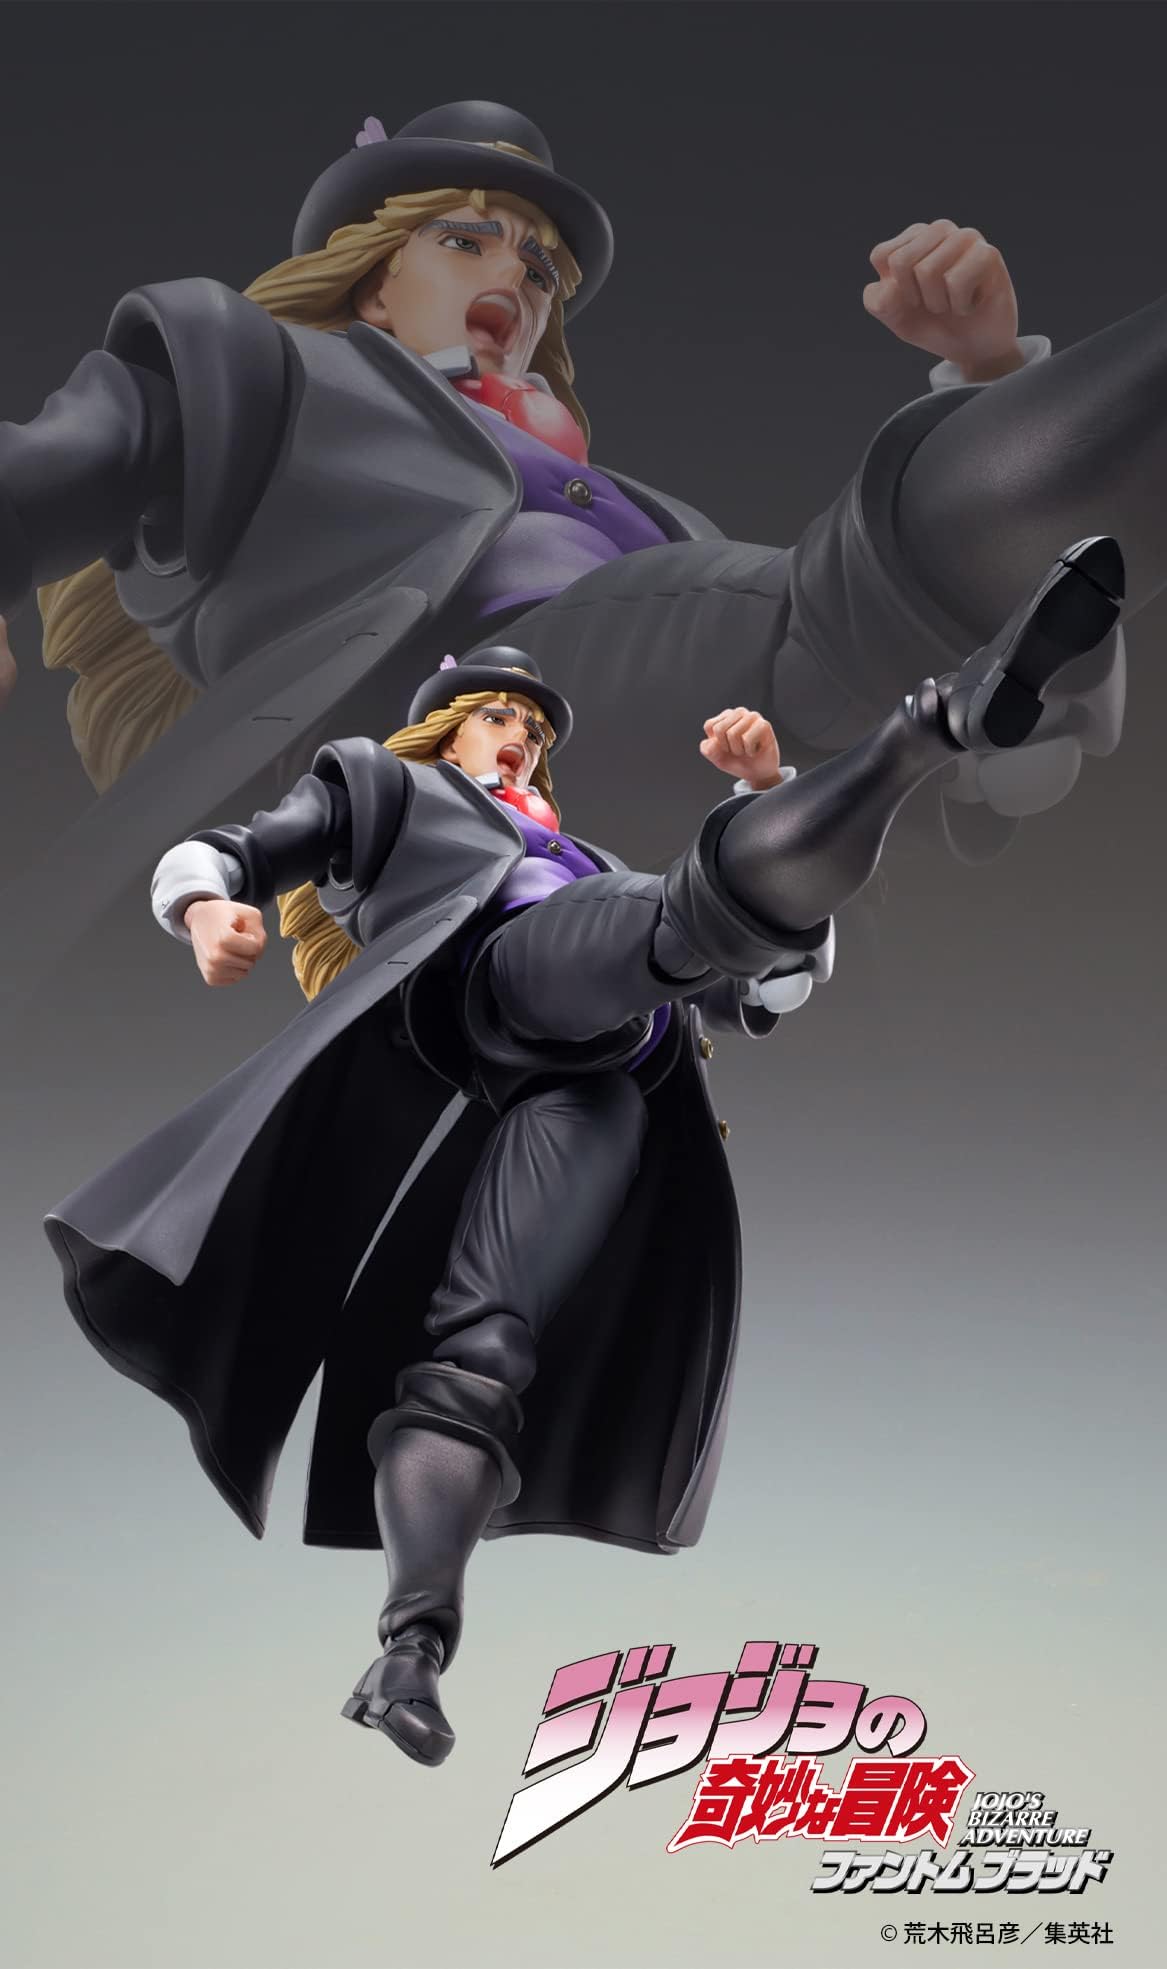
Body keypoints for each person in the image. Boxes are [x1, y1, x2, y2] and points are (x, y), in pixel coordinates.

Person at [44, 534, 1122, 1767]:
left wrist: (759, 801)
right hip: (502, 991)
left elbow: (763, 993)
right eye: (496, 716)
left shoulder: (589, 864)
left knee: (478, 1355)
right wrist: (203, 910)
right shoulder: (393, 792)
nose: (519, 737)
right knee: (674, 914)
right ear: (444, 731)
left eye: (534, 728)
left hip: (598, 1086)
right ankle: (935, 728)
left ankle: (408, 1647)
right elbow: (234, 848)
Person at [0, 99, 1127, 937]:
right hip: (461, 722)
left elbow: (936, 768)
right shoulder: (276, 374)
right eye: (466, 239)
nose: (519, 277)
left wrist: (987, 368)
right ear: (375, 282)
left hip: (691, 829)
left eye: (540, 269)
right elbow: (82, 454)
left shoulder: (660, 519)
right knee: (813, 623)